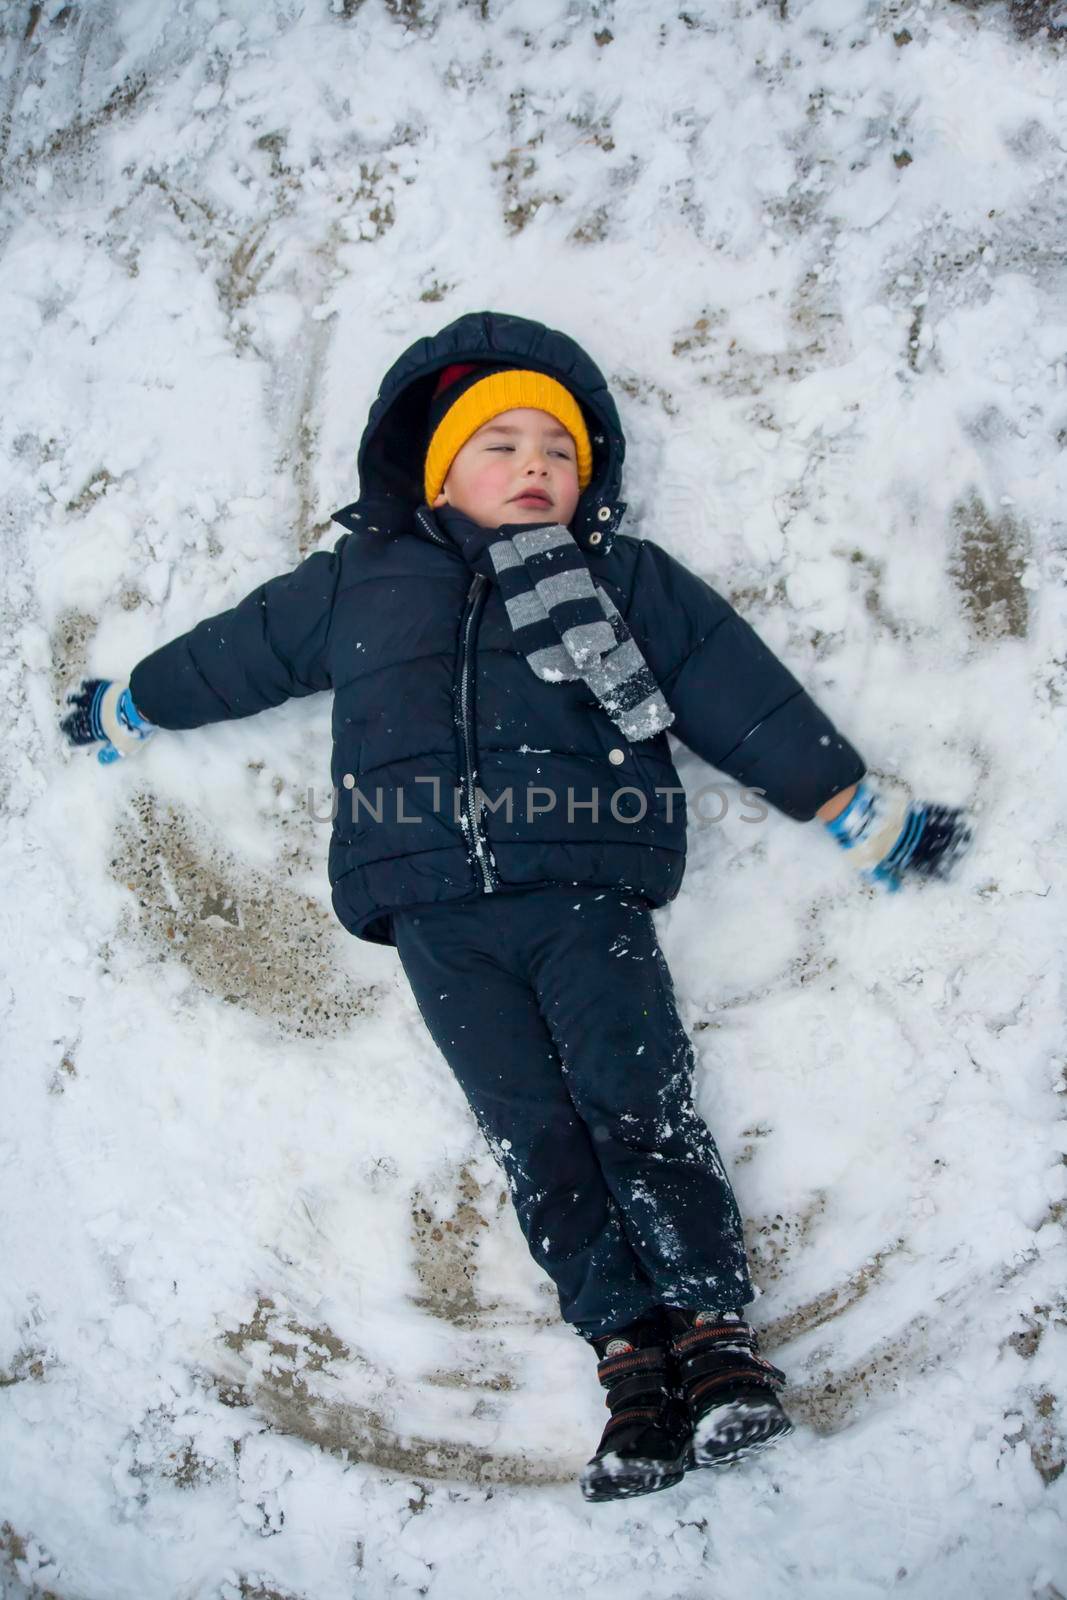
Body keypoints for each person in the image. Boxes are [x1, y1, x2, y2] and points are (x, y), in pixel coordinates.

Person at [60, 310, 973, 1503]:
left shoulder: (622, 580)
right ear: (437, 472)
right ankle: (628, 1368)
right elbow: (242, 651)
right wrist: (137, 700)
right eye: (500, 445)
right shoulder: (360, 581)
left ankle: (711, 1336)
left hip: (585, 886)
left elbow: (732, 689)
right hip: (434, 910)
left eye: (556, 447)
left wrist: (850, 804)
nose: (534, 463)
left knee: (637, 1101)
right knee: (534, 1133)